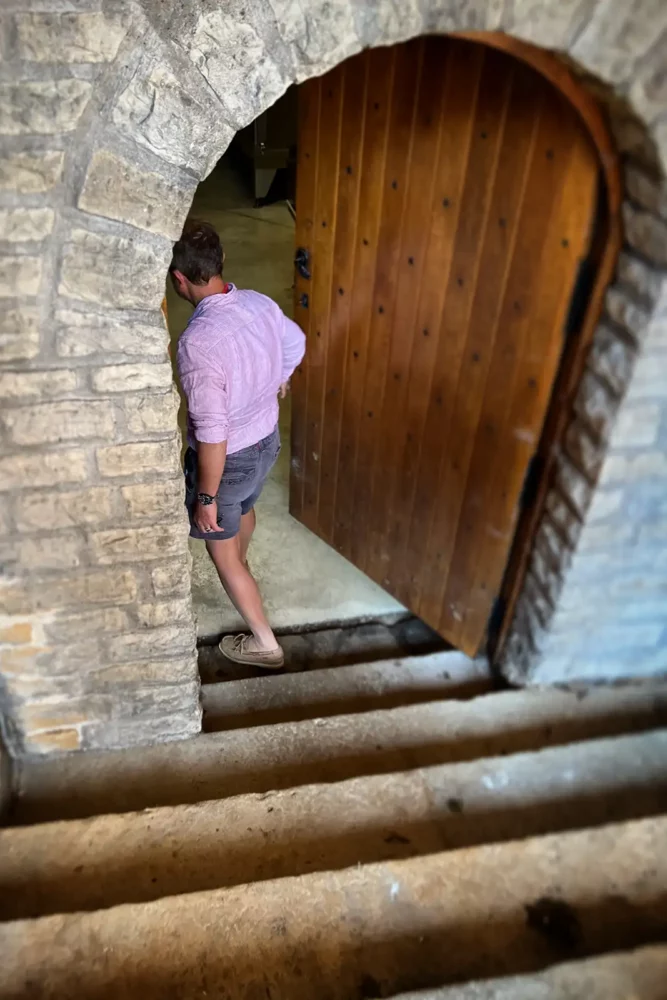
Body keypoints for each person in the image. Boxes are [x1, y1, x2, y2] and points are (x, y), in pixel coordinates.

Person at [169, 220, 305, 668]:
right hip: (267, 441)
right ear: (221, 262)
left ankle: (265, 643)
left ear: (179, 279)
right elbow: (295, 342)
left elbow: (212, 434)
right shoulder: (260, 304)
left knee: (221, 551)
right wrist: (279, 377)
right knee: (245, 508)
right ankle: (239, 559)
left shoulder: (198, 344)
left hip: (229, 460)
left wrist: (205, 497)